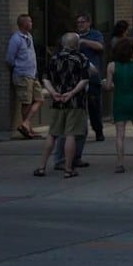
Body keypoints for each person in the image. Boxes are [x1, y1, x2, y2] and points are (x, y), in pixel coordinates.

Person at [34, 32, 90, 179]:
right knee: (70, 134)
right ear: (76, 44)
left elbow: (45, 78)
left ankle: (41, 166)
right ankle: (68, 168)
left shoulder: (54, 58)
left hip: (57, 101)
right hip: (75, 102)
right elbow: (84, 80)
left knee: (52, 134)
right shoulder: (81, 58)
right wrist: (71, 93)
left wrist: (53, 93)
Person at [104, 33, 133, 172]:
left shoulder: (112, 66)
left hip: (119, 100)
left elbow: (108, 86)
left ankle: (120, 163)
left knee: (120, 134)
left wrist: (110, 84)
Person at [6, 13, 42, 138]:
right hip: (22, 74)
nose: (31, 23)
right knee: (26, 102)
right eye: (30, 21)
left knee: (39, 99)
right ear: (23, 24)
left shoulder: (29, 36)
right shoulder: (16, 39)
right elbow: (10, 58)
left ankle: (26, 124)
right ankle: (27, 129)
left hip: (32, 74)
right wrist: (19, 67)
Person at [75, 12, 106, 142]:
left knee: (94, 105)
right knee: (78, 106)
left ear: (88, 23)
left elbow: (100, 47)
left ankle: (98, 130)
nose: (80, 25)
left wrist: (84, 42)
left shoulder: (95, 34)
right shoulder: (73, 36)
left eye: (82, 22)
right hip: (77, 76)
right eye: (78, 23)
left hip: (92, 75)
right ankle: (79, 132)